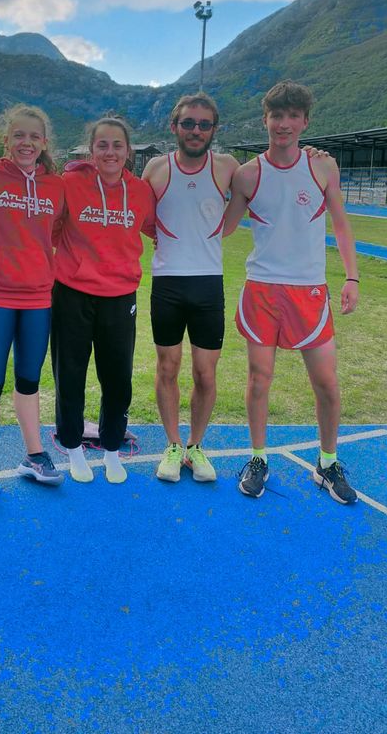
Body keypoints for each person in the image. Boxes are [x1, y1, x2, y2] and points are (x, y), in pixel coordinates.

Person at [223, 80, 359, 504]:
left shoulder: (323, 168)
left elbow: (340, 224)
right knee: (259, 379)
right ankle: (259, 458)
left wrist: (352, 277)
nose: (283, 124)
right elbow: (222, 227)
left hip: (310, 292)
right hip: (262, 289)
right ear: (265, 120)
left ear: (304, 121)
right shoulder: (247, 175)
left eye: (292, 116)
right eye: (276, 116)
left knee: (327, 384)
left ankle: (327, 462)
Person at [0, 105, 65, 506]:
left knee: (29, 380)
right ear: (5, 140)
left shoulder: (55, 185)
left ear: (44, 143)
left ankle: (34, 455)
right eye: (18, 136)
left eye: (34, 136)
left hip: (40, 297)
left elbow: (58, 231)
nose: (26, 142)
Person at [52, 116, 155, 484]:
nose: (110, 152)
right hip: (71, 294)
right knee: (70, 373)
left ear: (128, 151)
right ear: (91, 149)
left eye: (117, 145)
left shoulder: (141, 191)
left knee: (117, 377)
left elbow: (157, 228)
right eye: (102, 145)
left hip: (120, 296)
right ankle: (72, 445)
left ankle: (112, 448)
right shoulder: (70, 183)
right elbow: (49, 228)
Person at [142, 93, 239, 483]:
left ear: (214, 129)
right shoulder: (156, 168)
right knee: (168, 366)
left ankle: (196, 447)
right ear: (174, 126)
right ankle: (171, 444)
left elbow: (273, 169)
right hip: (166, 283)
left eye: (203, 124)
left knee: (205, 372)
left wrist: (312, 154)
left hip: (207, 284)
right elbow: (141, 214)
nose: (195, 130)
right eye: (188, 123)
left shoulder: (230, 167)